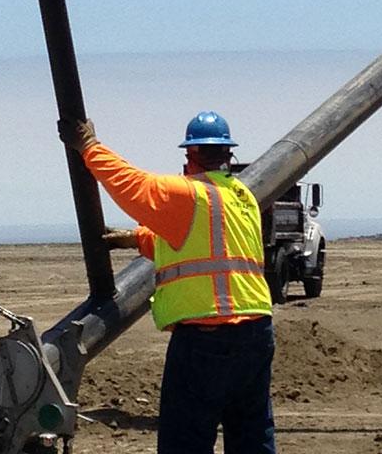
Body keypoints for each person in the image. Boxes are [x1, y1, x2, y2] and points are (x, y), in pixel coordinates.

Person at [60, 111, 275, 454]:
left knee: (185, 439)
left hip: (206, 337)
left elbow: (130, 184)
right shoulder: (240, 196)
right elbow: (200, 242)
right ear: (227, 155)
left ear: (190, 155)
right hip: (256, 331)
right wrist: (138, 239)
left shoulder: (187, 194)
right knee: (251, 432)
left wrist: (88, 145)